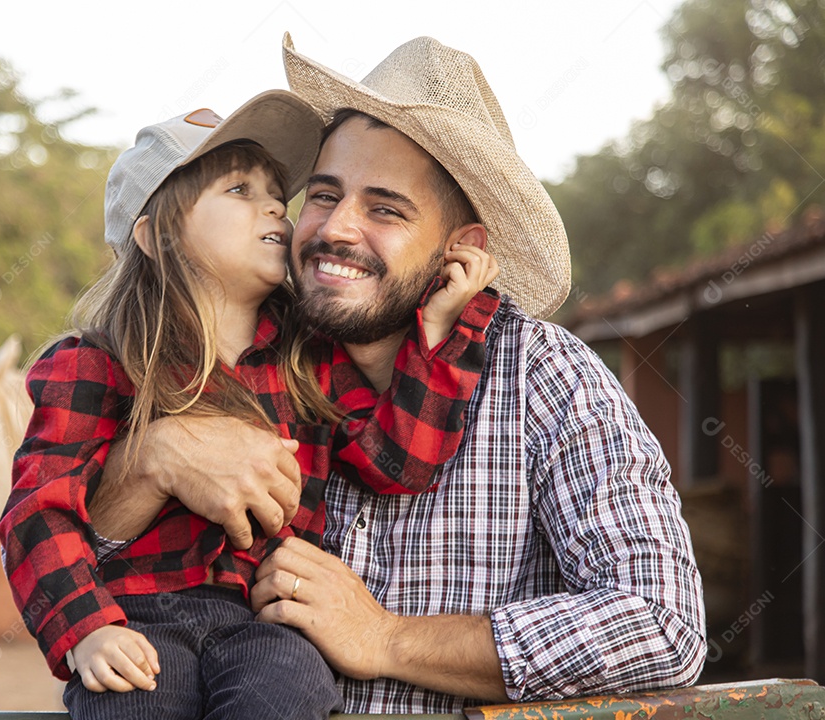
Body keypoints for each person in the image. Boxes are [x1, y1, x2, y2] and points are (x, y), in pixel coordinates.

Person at [88, 35, 708, 715]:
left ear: (460, 248)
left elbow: (662, 626)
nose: (336, 229)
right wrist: (151, 459)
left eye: (384, 209)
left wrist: (386, 638)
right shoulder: (239, 351)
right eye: (324, 196)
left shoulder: (545, 377)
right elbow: (79, 564)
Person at [0, 89, 501, 720]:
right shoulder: (97, 364)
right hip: (136, 616)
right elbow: (38, 514)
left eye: (275, 192)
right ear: (157, 235)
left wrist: (438, 332)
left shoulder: (308, 356)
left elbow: (396, 463)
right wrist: (85, 629)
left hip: (268, 620)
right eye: (239, 190)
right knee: (128, 701)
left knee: (290, 697)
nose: (274, 206)